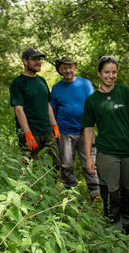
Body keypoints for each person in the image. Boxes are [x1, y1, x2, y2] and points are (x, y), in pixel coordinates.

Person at [82, 55, 129, 233]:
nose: (111, 76)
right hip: (107, 153)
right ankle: (113, 230)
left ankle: (127, 227)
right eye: (107, 72)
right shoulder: (92, 101)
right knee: (112, 193)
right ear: (99, 73)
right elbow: (88, 130)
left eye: (114, 72)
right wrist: (89, 157)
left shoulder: (125, 92)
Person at [51, 56, 100, 200]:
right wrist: (55, 130)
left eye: (70, 67)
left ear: (75, 68)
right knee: (66, 164)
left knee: (89, 162)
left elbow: (93, 104)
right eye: (65, 67)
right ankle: (70, 192)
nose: (68, 70)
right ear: (60, 70)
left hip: (85, 131)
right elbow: (52, 110)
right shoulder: (56, 88)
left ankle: (95, 191)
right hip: (65, 131)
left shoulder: (85, 84)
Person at [9, 48, 61, 174]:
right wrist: (27, 133)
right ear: (25, 61)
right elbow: (18, 110)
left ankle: (48, 191)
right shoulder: (18, 83)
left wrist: (55, 126)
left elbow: (47, 104)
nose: (38, 62)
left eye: (39, 59)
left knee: (55, 165)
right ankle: (26, 193)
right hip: (31, 132)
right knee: (27, 168)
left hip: (47, 131)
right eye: (34, 59)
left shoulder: (41, 81)